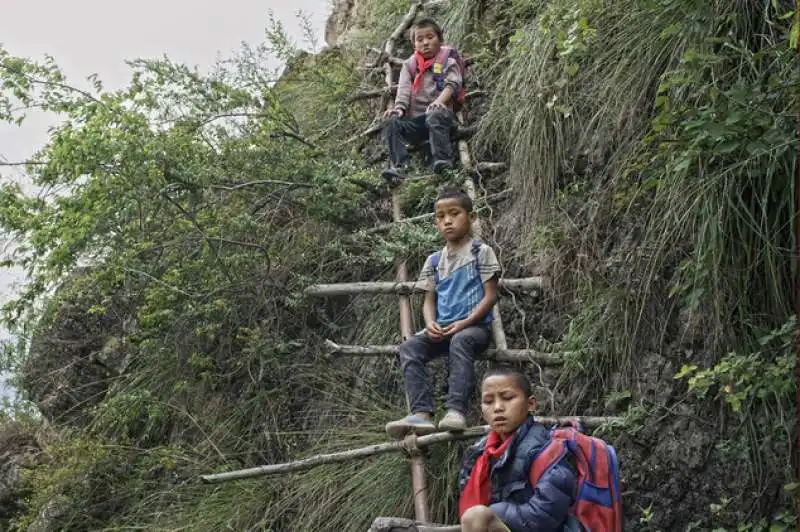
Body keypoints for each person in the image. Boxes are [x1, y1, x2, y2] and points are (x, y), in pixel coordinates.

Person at [385, 188, 500, 438]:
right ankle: (422, 414)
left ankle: (455, 411)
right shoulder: (435, 261)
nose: (447, 221)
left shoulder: (481, 252)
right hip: (443, 329)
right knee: (410, 347)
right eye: (440, 216)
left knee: (460, 340)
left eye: (454, 213)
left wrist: (464, 323)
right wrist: (431, 323)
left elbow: (491, 296)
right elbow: (429, 300)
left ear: (472, 217)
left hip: (474, 329)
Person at [458, 367, 580, 532]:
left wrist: (491, 514)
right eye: (488, 401)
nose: (498, 407)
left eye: (507, 398)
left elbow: (546, 516)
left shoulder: (547, 450)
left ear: (531, 404)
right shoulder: (479, 452)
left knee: (477, 516)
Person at [380, 17, 461, 182]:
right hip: (417, 121)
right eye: (420, 39)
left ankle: (442, 160)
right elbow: (404, 89)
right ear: (414, 44)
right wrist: (399, 108)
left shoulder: (448, 61)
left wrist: (440, 102)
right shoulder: (410, 65)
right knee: (391, 121)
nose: (425, 43)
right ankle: (401, 166)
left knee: (435, 114)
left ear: (440, 39)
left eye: (430, 37)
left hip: (442, 118)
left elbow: (452, 84)